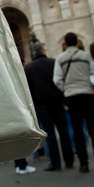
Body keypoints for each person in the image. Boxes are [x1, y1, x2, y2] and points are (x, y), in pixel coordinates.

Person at [53, 33, 94, 173]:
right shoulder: (86, 56)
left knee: (77, 130)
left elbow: (57, 79)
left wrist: (66, 89)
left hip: (72, 96)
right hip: (88, 95)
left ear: (65, 44)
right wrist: (91, 88)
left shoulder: (60, 58)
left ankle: (83, 164)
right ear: (77, 42)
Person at [24, 43, 74, 171]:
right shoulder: (53, 63)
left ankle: (55, 162)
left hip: (41, 105)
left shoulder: (29, 68)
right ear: (44, 51)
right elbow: (61, 79)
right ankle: (69, 160)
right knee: (64, 132)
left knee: (50, 133)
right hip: (57, 101)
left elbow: (28, 88)